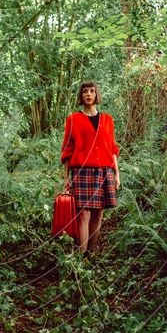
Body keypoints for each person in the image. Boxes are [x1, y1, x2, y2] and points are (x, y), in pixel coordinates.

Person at [60, 81, 121, 255]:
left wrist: (117, 174)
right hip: (82, 171)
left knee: (98, 214)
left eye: (92, 91)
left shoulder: (107, 120)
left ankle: (90, 256)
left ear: (96, 95)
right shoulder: (73, 119)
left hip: (105, 171)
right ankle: (80, 258)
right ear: (81, 95)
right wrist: (66, 178)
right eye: (85, 91)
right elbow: (67, 151)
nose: (88, 94)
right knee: (84, 214)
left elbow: (112, 148)